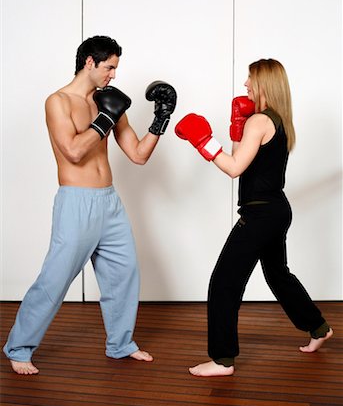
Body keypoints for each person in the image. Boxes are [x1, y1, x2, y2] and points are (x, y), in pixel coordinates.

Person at [3, 35, 177, 375]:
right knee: (55, 279)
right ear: (90, 63)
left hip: (109, 201)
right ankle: (19, 347)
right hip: (76, 202)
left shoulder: (108, 100)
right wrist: (106, 119)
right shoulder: (58, 101)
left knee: (124, 274)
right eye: (109, 67)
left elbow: (138, 155)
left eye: (115, 68)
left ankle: (120, 344)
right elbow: (73, 151)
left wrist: (161, 119)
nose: (113, 75)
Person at [175, 58, 333, 377]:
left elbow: (233, 168)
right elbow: (241, 158)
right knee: (278, 274)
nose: (246, 84)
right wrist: (237, 125)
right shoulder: (276, 120)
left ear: (263, 83)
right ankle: (318, 327)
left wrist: (204, 142)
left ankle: (222, 360)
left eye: (250, 79)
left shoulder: (259, 120)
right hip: (277, 209)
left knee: (224, 283)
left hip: (260, 214)